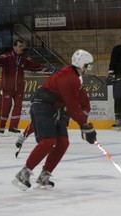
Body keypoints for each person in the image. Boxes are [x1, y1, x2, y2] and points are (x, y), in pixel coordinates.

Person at [12, 49, 97, 191]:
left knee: (63, 142)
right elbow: (72, 107)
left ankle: (45, 174)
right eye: (88, 64)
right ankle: (23, 173)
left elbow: (83, 104)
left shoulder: (75, 78)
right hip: (42, 106)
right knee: (48, 141)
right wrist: (83, 125)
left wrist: (86, 125)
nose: (89, 68)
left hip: (54, 109)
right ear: (82, 64)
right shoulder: (68, 77)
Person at [0, 39, 51, 135]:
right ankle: (1, 126)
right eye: (20, 46)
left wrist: (48, 70)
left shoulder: (25, 59)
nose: (22, 48)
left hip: (19, 88)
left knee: (18, 107)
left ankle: (13, 127)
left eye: (22, 46)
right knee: (5, 108)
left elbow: (36, 66)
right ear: (14, 46)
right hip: (7, 87)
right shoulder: (7, 57)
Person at [15, 76, 91, 148]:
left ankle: (56, 141)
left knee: (61, 123)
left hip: (63, 108)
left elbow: (85, 107)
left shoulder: (80, 92)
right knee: (38, 122)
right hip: (51, 105)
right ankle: (24, 135)